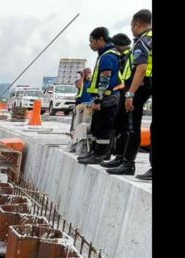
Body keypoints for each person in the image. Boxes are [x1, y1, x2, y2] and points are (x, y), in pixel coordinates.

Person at [115, 9, 153, 181]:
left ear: (137, 24)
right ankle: (124, 161)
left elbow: (142, 68)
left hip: (145, 85)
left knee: (133, 124)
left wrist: (130, 94)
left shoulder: (144, 40)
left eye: (131, 25)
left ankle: (128, 163)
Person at [78, 27, 122, 165]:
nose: (90, 45)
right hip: (105, 97)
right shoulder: (104, 54)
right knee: (97, 126)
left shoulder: (108, 56)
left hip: (107, 98)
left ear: (101, 39)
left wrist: (98, 99)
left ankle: (101, 154)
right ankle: (96, 151)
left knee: (104, 127)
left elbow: (105, 80)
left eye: (92, 41)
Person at [101, 33, 133, 171]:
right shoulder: (123, 56)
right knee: (119, 125)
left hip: (127, 94)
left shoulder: (127, 56)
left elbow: (128, 77)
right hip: (124, 93)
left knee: (123, 126)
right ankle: (119, 157)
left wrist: (123, 89)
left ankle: (123, 159)